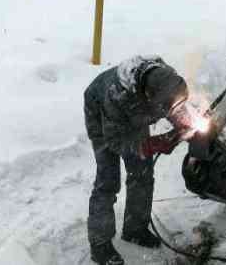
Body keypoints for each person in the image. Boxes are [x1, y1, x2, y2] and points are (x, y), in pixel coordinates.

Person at [84, 55, 197, 265]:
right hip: (101, 114)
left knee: (142, 171)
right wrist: (151, 145)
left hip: (136, 111)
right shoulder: (115, 96)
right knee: (108, 180)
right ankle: (99, 245)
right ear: (148, 96)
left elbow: (174, 104)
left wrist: (186, 125)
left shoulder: (165, 79)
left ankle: (135, 228)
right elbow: (116, 142)